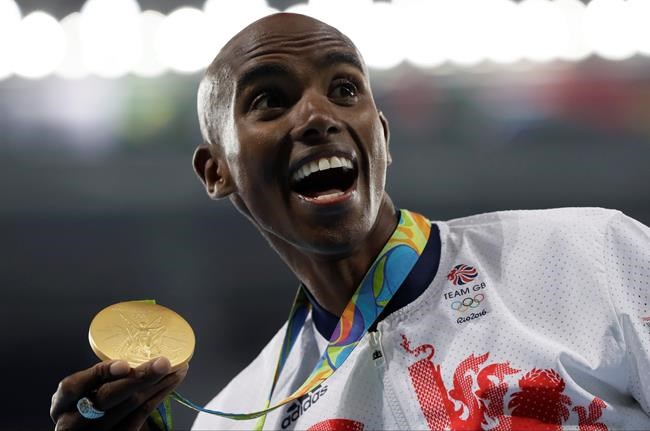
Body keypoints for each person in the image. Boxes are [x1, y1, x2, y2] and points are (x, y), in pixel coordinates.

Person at [51, 12, 650, 431]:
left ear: (382, 140)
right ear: (216, 171)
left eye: (344, 89)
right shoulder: (244, 413)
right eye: (269, 100)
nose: (316, 115)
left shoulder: (591, 256)